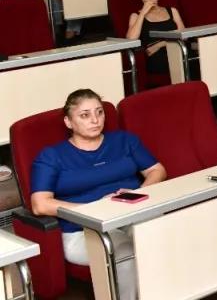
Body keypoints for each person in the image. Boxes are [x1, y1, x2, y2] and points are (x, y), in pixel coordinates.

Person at [30, 89, 167, 300]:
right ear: (68, 122)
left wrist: (136, 193)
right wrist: (96, 209)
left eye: (99, 112)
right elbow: (40, 204)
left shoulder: (124, 140)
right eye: (85, 115)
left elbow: (157, 171)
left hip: (129, 212)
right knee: (123, 252)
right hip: (83, 230)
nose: (95, 120)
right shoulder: (51, 155)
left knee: (162, 236)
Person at [124, 0, 185, 80]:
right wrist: (143, 12)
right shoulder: (136, 16)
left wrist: (160, 44)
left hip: (177, 49)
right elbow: (131, 40)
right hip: (156, 58)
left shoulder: (172, 11)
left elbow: (184, 35)